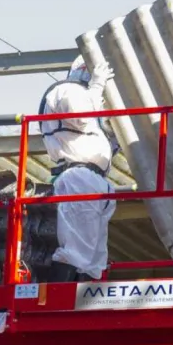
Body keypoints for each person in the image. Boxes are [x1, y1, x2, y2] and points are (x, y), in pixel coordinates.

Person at [39, 56, 117, 283]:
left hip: (95, 179)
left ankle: (81, 296)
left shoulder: (83, 95)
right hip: (79, 177)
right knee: (76, 248)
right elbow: (81, 117)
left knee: (93, 258)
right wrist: (96, 87)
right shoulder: (66, 90)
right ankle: (60, 295)